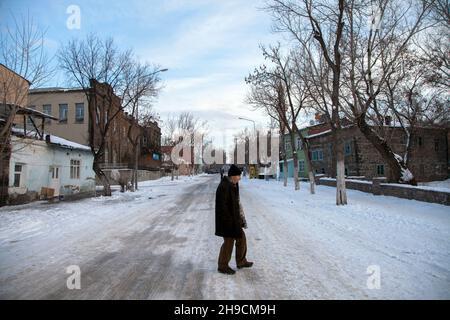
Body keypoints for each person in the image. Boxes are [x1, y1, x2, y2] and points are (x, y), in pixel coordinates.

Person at [215, 164, 253, 275]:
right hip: (226, 221)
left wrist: (240, 219)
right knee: (228, 242)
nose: (240, 178)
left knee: (241, 238)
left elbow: (236, 204)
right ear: (232, 176)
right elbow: (222, 207)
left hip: (234, 220)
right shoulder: (224, 187)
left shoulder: (233, 185)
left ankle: (241, 261)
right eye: (238, 176)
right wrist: (229, 222)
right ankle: (222, 266)